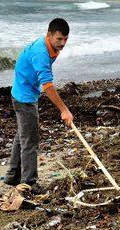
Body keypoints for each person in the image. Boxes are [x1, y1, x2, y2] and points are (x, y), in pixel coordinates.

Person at [4, 18, 74, 194]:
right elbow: (48, 85)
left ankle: (12, 176)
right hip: (24, 97)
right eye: (59, 39)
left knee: (22, 134)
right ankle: (29, 182)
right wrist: (64, 110)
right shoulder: (40, 52)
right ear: (49, 35)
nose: (63, 43)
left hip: (25, 91)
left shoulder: (51, 47)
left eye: (66, 39)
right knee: (30, 140)